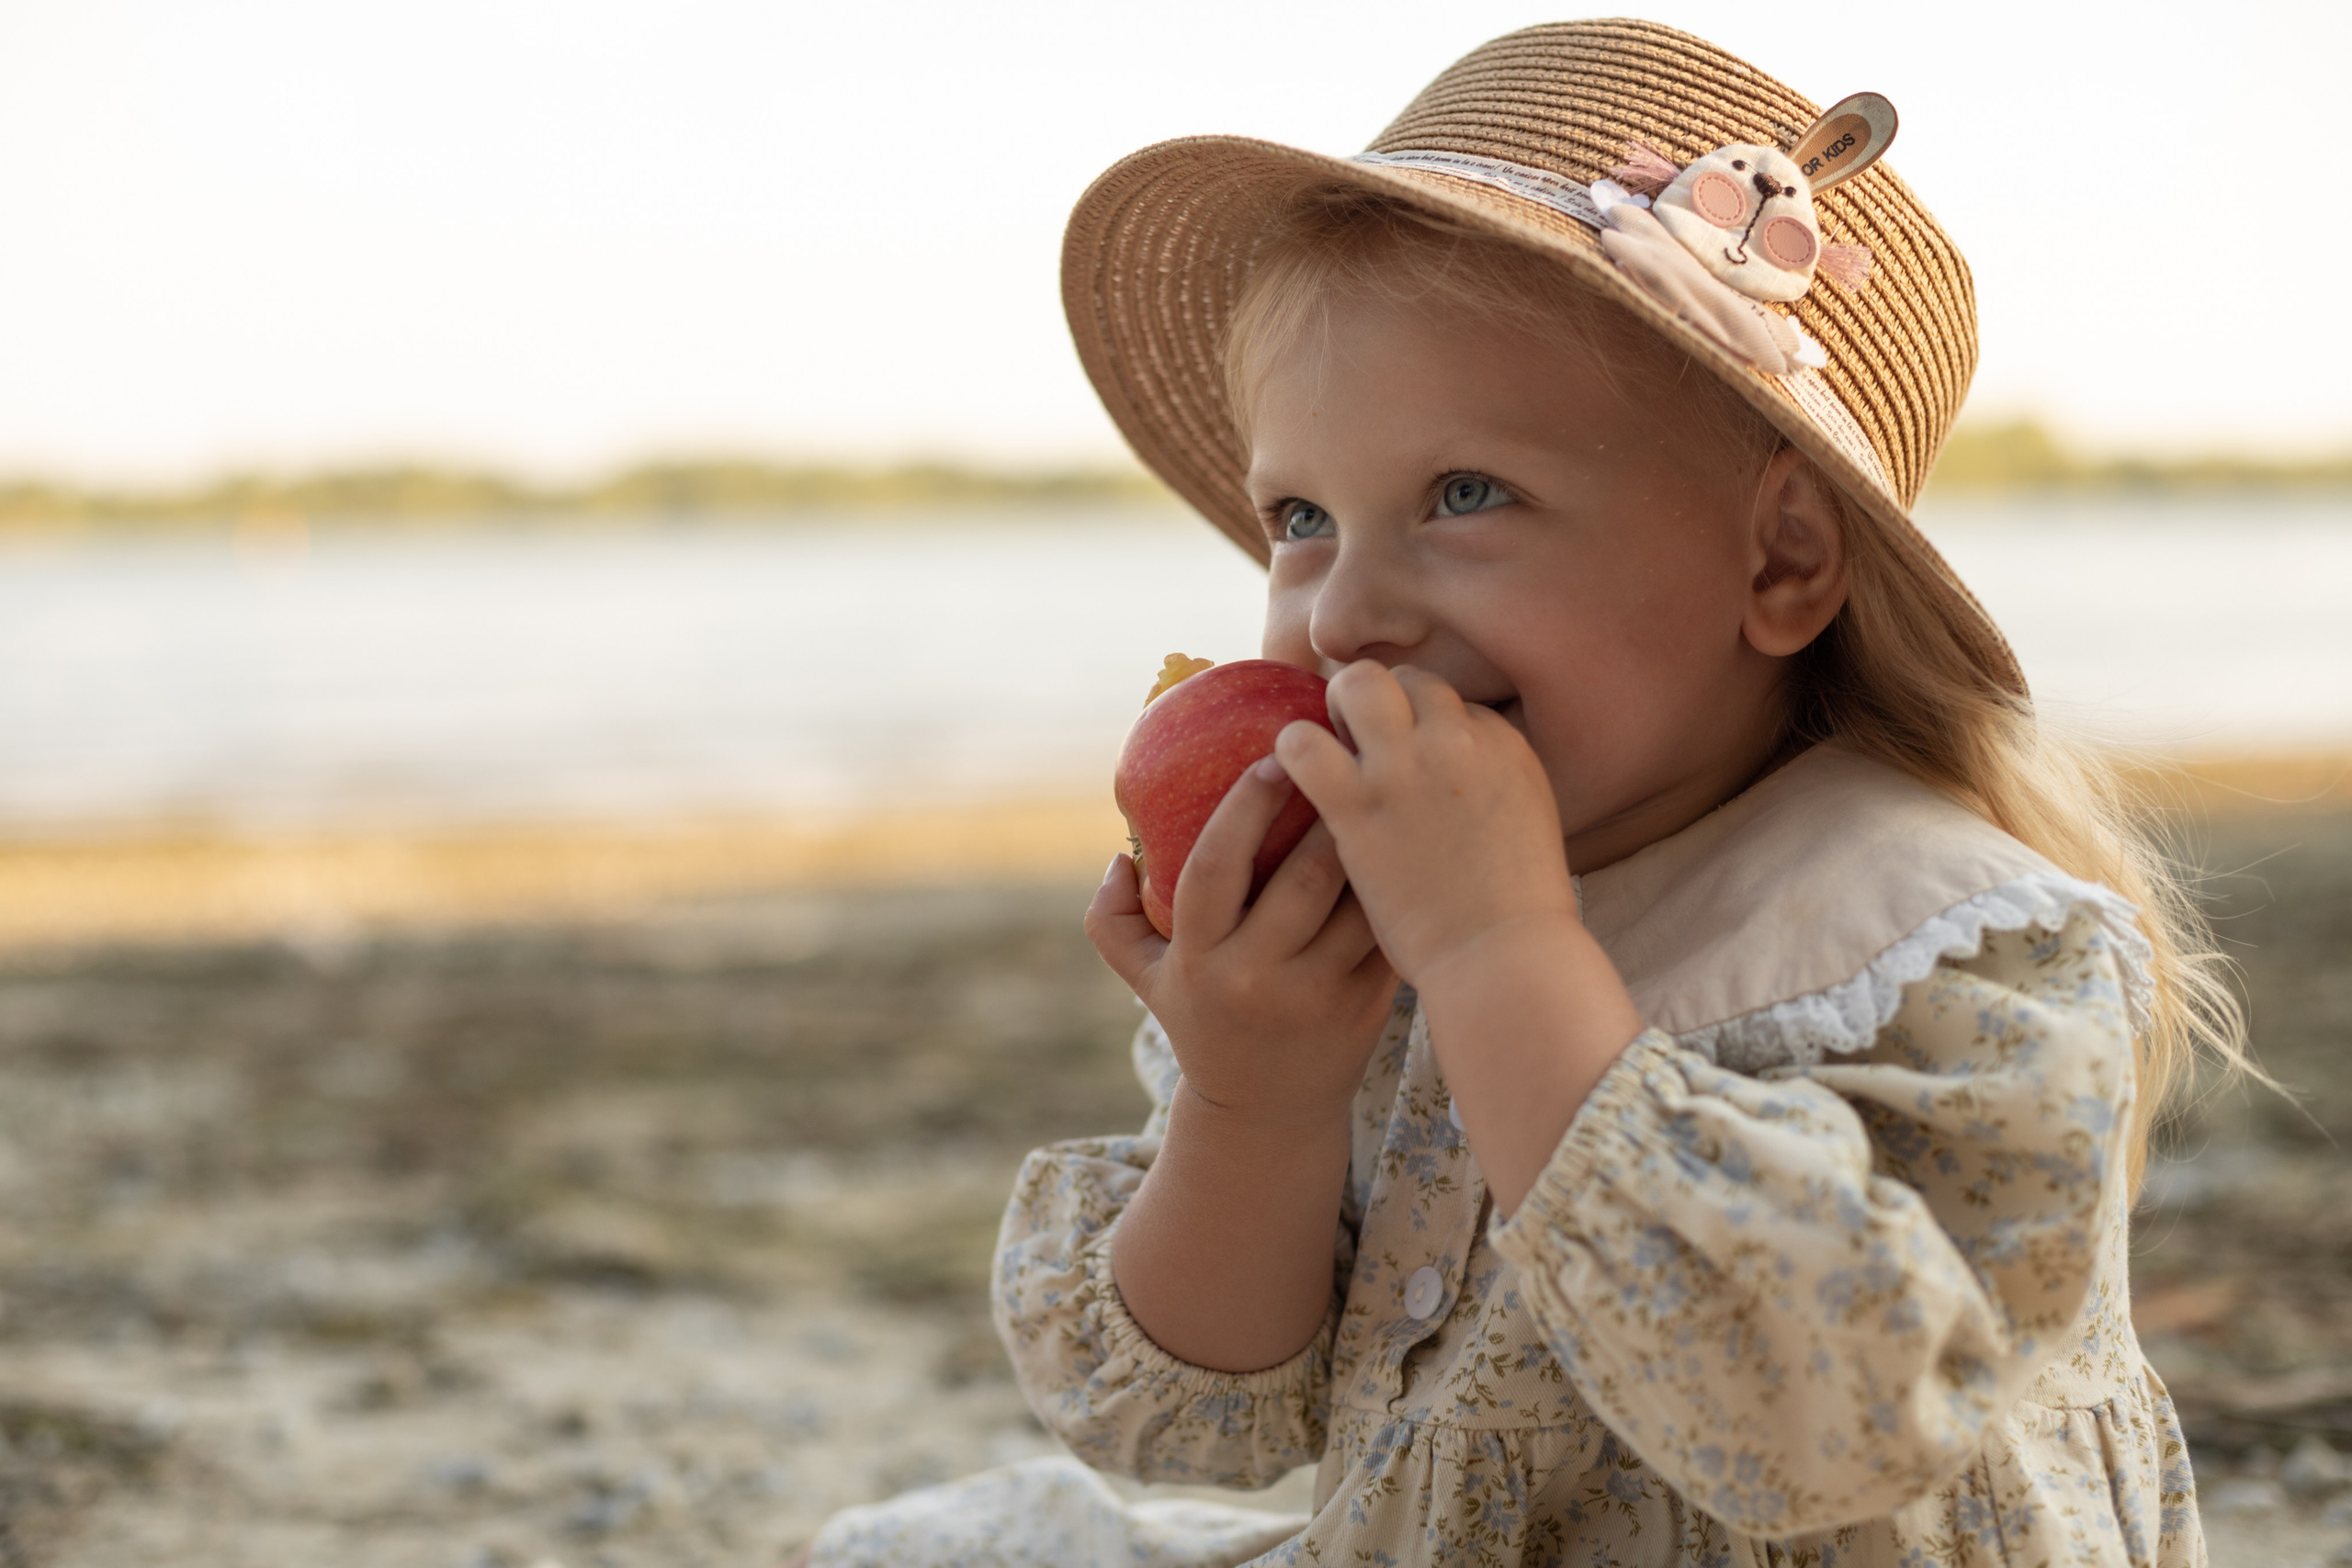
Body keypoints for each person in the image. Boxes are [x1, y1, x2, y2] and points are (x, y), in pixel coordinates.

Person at [799, 19, 2247, 1567]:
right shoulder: (1377, 917)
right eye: (1301, 515)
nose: (1343, 615)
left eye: (1465, 495)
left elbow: (1828, 1428)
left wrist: (1502, 957)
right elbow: (1196, 1426)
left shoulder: (1938, 938)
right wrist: (1253, 1100)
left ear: (1783, 560)